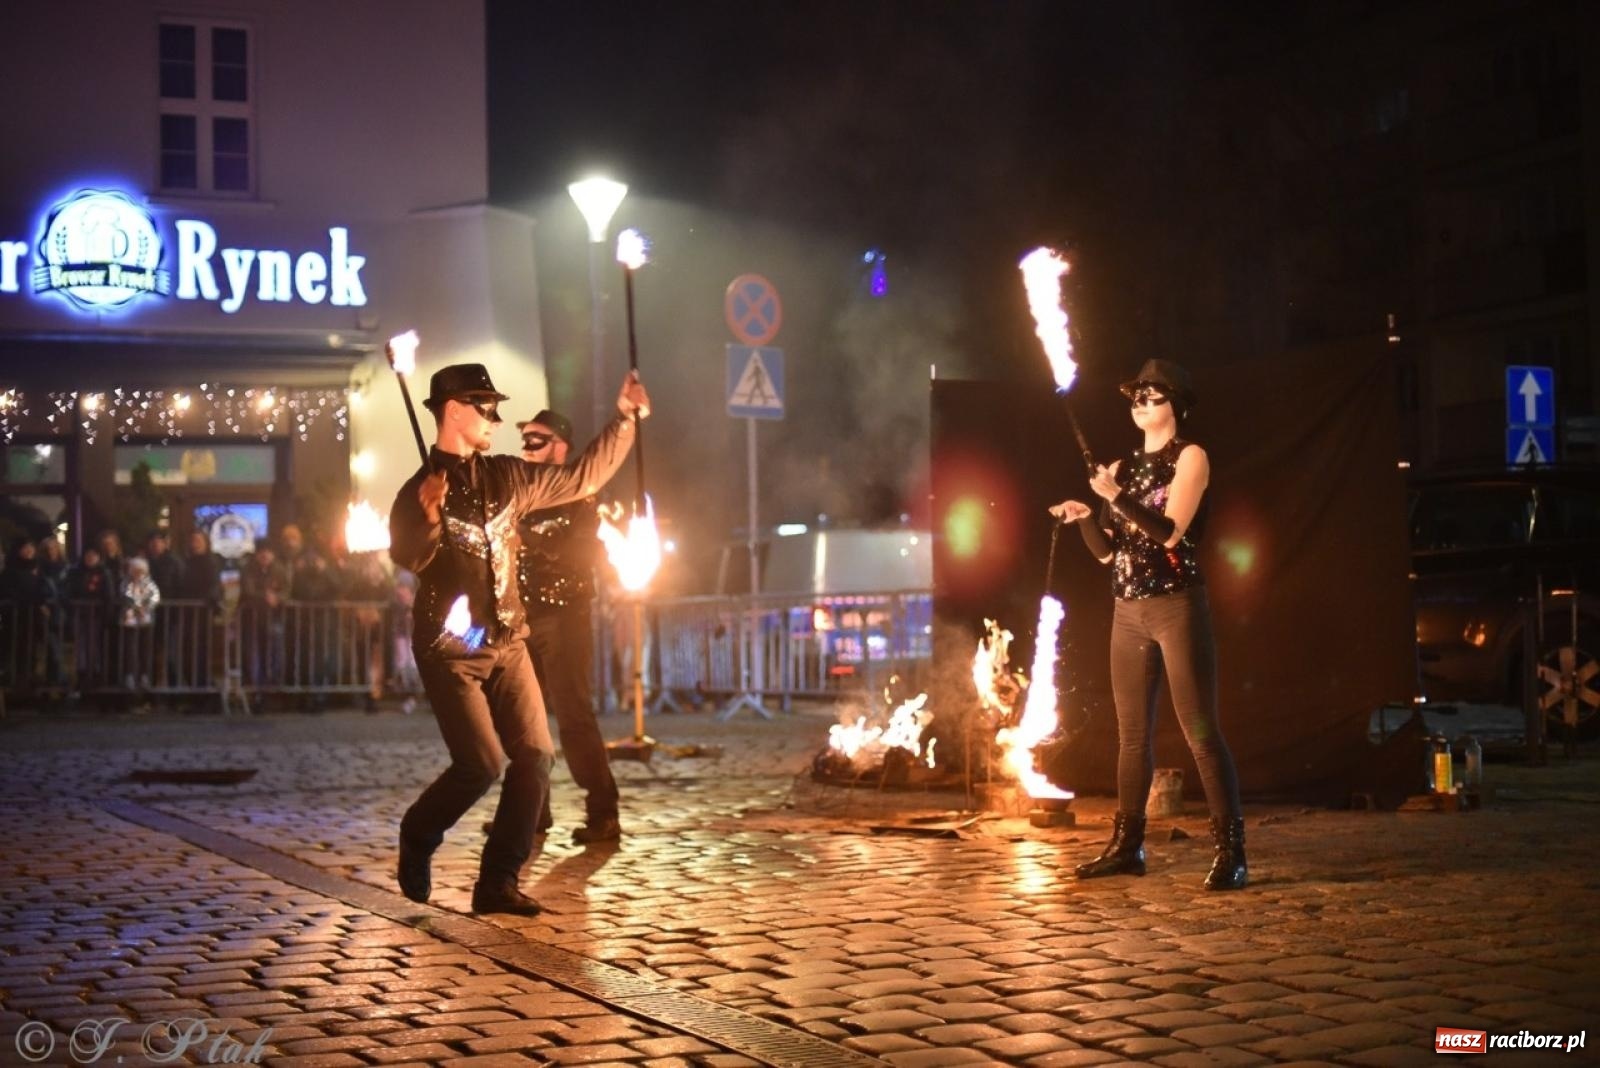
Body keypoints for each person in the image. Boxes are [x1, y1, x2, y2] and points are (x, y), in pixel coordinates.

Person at [389, 360, 649, 916]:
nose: (496, 418)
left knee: (534, 756)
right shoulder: (417, 491)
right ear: (453, 411)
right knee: (480, 764)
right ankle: (418, 832)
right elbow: (409, 555)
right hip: (449, 650)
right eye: (486, 407)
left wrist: (624, 419)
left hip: (508, 641)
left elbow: (582, 478)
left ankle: (498, 881)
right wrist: (429, 517)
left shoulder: (508, 476)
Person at [1049, 359, 1247, 891]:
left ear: (1175, 405)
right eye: (1136, 395)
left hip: (1176, 605)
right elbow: (1109, 555)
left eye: (1152, 395)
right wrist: (1087, 517)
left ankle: (1231, 851)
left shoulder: (1191, 457)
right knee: (1131, 736)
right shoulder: (1121, 465)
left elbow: (1169, 533)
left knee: (1200, 732)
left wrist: (1115, 498)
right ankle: (1126, 846)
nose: (1140, 402)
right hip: (1128, 611)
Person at [514, 409, 621, 844]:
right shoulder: (521, 491)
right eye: (525, 439)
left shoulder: (580, 495)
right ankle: (532, 813)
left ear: (561, 446)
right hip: (524, 618)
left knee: (573, 715)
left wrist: (530, 539)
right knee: (524, 718)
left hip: (565, 617)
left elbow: (580, 552)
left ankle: (603, 812)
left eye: (538, 440)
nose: (528, 447)